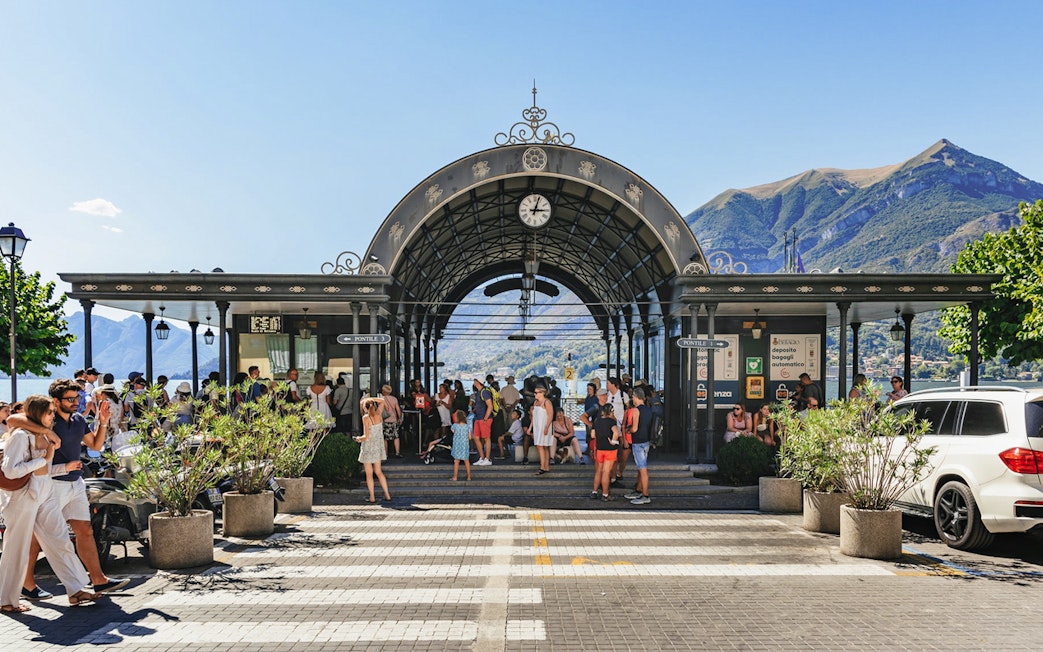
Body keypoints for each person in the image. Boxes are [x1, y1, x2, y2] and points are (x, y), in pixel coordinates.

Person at [18, 380, 128, 598]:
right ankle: (26, 583)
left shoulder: (78, 420)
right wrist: (47, 434)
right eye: (70, 399)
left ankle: (99, 580)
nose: (76, 403)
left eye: (77, 398)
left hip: (76, 483)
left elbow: (95, 446)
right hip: (52, 484)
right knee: (37, 538)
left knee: (85, 531)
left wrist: (102, 422)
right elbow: (14, 420)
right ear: (56, 401)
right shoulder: (46, 420)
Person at [0, 395, 98, 611]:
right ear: (37, 414)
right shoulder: (20, 437)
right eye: (50, 412)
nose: (53, 416)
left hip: (45, 493)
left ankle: (76, 590)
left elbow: (43, 471)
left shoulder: (46, 437)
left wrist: (63, 468)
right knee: (16, 548)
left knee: (60, 540)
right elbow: (10, 470)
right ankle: (6, 601)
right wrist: (43, 459)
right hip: (22, 497)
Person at [356, 397, 391, 503]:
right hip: (378, 447)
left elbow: (366, 436)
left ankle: (372, 497)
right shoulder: (379, 414)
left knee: (369, 474)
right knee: (379, 472)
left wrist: (358, 439)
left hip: (368, 448)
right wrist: (371, 399)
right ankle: (387, 494)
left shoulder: (366, 418)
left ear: (365, 408)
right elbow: (383, 400)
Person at [624, 387, 653, 505]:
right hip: (646, 441)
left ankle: (645, 495)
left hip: (638, 442)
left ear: (636, 397)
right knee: (641, 468)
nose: (632, 399)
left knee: (642, 469)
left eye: (633, 397)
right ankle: (639, 490)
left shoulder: (636, 410)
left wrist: (627, 430)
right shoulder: (648, 410)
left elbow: (635, 428)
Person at [591, 403, 621, 501]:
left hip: (600, 448)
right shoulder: (611, 422)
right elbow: (616, 432)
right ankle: (605, 494)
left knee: (598, 471)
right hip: (610, 449)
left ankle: (594, 492)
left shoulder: (597, 421)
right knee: (606, 472)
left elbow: (592, 435)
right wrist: (613, 441)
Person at [530, 386, 554, 475]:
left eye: (536, 393)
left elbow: (550, 415)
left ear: (542, 393)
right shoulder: (535, 403)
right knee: (542, 446)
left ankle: (543, 466)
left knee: (542, 446)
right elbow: (533, 417)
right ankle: (545, 466)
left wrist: (547, 427)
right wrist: (530, 428)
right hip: (537, 427)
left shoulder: (547, 402)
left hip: (544, 426)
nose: (535, 394)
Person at [471, 378, 495, 466]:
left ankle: (487, 458)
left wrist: (485, 417)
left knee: (486, 438)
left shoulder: (484, 392)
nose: (474, 382)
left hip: (484, 418)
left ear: (478, 382)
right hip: (478, 418)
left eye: (475, 380)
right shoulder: (479, 392)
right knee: (476, 437)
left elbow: (490, 406)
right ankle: (482, 457)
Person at [380, 384, 403, 458]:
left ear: (383, 391)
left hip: (385, 420)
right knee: (396, 437)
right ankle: (397, 452)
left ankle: (385, 454)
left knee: (385, 438)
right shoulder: (394, 399)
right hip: (394, 420)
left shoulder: (381, 399)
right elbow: (398, 409)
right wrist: (399, 418)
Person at [449, 410, 472, 482]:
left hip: (457, 445)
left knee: (456, 461)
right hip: (464, 445)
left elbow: (452, 431)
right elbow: (470, 437)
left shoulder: (455, 426)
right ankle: (469, 477)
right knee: (466, 461)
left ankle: (455, 477)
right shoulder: (467, 426)